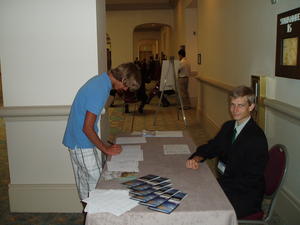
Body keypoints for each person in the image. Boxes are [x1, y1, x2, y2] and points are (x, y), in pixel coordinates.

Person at [186, 86, 268, 219]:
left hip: (245, 194)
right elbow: (212, 146)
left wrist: (217, 189)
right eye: (232, 105)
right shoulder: (228, 126)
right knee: (193, 191)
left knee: (202, 208)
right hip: (227, 182)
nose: (235, 110)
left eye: (240, 105)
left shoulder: (256, 138)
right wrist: (197, 157)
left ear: (251, 107)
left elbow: (252, 179)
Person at [63, 63, 141, 202]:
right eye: (126, 86)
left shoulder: (100, 81)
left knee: (85, 186)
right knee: (99, 186)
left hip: (77, 140)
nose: (125, 89)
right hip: (81, 142)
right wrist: (106, 149)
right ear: (123, 80)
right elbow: (87, 127)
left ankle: (89, 218)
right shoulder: (100, 89)